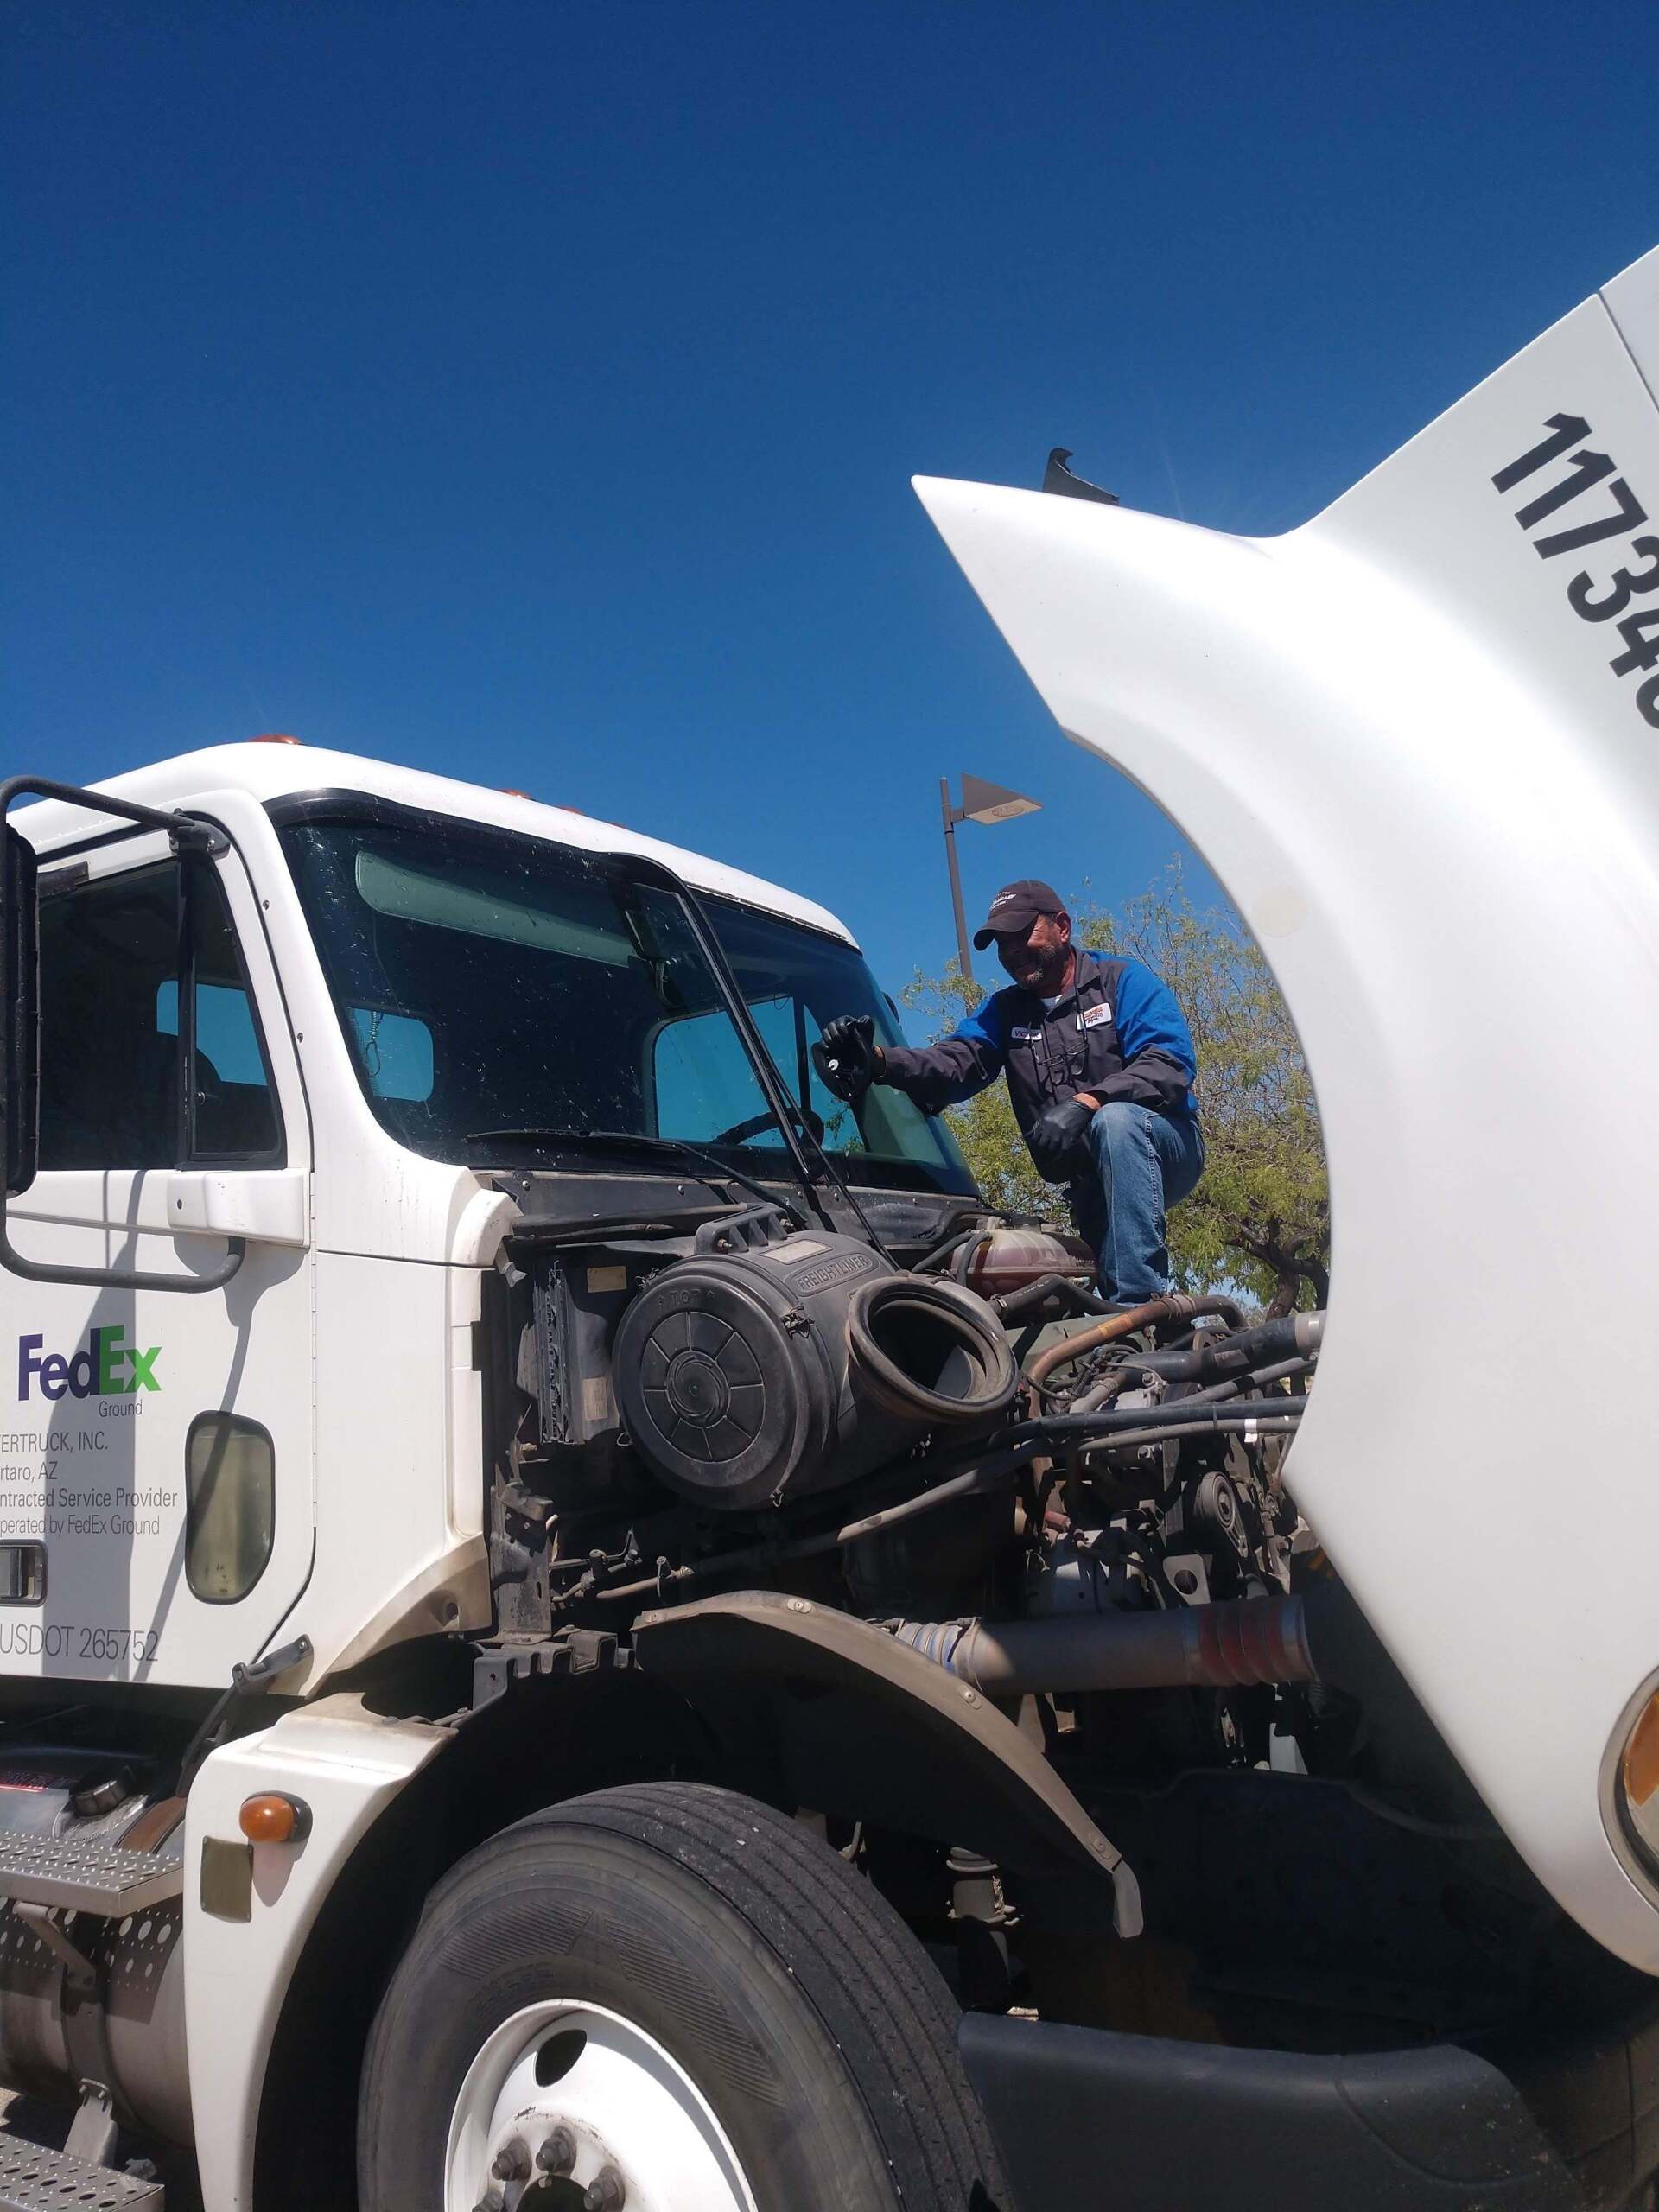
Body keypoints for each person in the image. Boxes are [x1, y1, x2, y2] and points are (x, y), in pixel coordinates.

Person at [821, 880, 1203, 1306]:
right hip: (1090, 1178)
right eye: (1001, 944)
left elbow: (1169, 1063)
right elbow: (956, 1061)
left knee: (1117, 1122)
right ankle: (1120, 1330)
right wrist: (879, 1060)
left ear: (1062, 926)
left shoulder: (1123, 982)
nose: (1011, 952)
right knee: (1104, 1283)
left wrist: (1089, 1102)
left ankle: (1142, 1305)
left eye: (1022, 935)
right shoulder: (1006, 1010)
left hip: (1165, 1147)